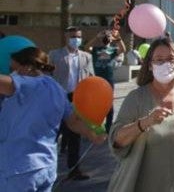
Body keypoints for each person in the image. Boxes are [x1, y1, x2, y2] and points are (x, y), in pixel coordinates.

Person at [0, 47, 106, 191]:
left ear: (28, 67)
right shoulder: (56, 88)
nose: (12, 73)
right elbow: (73, 122)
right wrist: (93, 134)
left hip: (18, 169)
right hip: (46, 166)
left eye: (14, 68)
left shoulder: (26, 84)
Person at [108, 38, 174, 192]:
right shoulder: (136, 98)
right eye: (159, 60)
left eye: (171, 59)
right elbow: (116, 141)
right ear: (150, 65)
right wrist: (144, 123)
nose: (166, 64)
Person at [48, 26, 95, 180]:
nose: (76, 39)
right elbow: (48, 76)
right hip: (59, 98)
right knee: (53, 135)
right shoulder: (54, 55)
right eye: (73, 36)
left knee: (75, 136)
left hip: (77, 99)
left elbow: (91, 77)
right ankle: (48, 170)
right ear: (66, 37)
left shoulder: (86, 56)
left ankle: (74, 169)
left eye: (79, 36)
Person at [85, 29, 126, 133]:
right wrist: (96, 37)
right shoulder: (96, 49)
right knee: (97, 104)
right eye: (105, 35)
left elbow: (123, 49)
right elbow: (86, 48)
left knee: (109, 105)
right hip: (98, 82)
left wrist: (117, 38)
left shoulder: (113, 50)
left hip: (109, 82)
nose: (106, 37)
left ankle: (108, 128)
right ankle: (97, 126)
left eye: (108, 36)